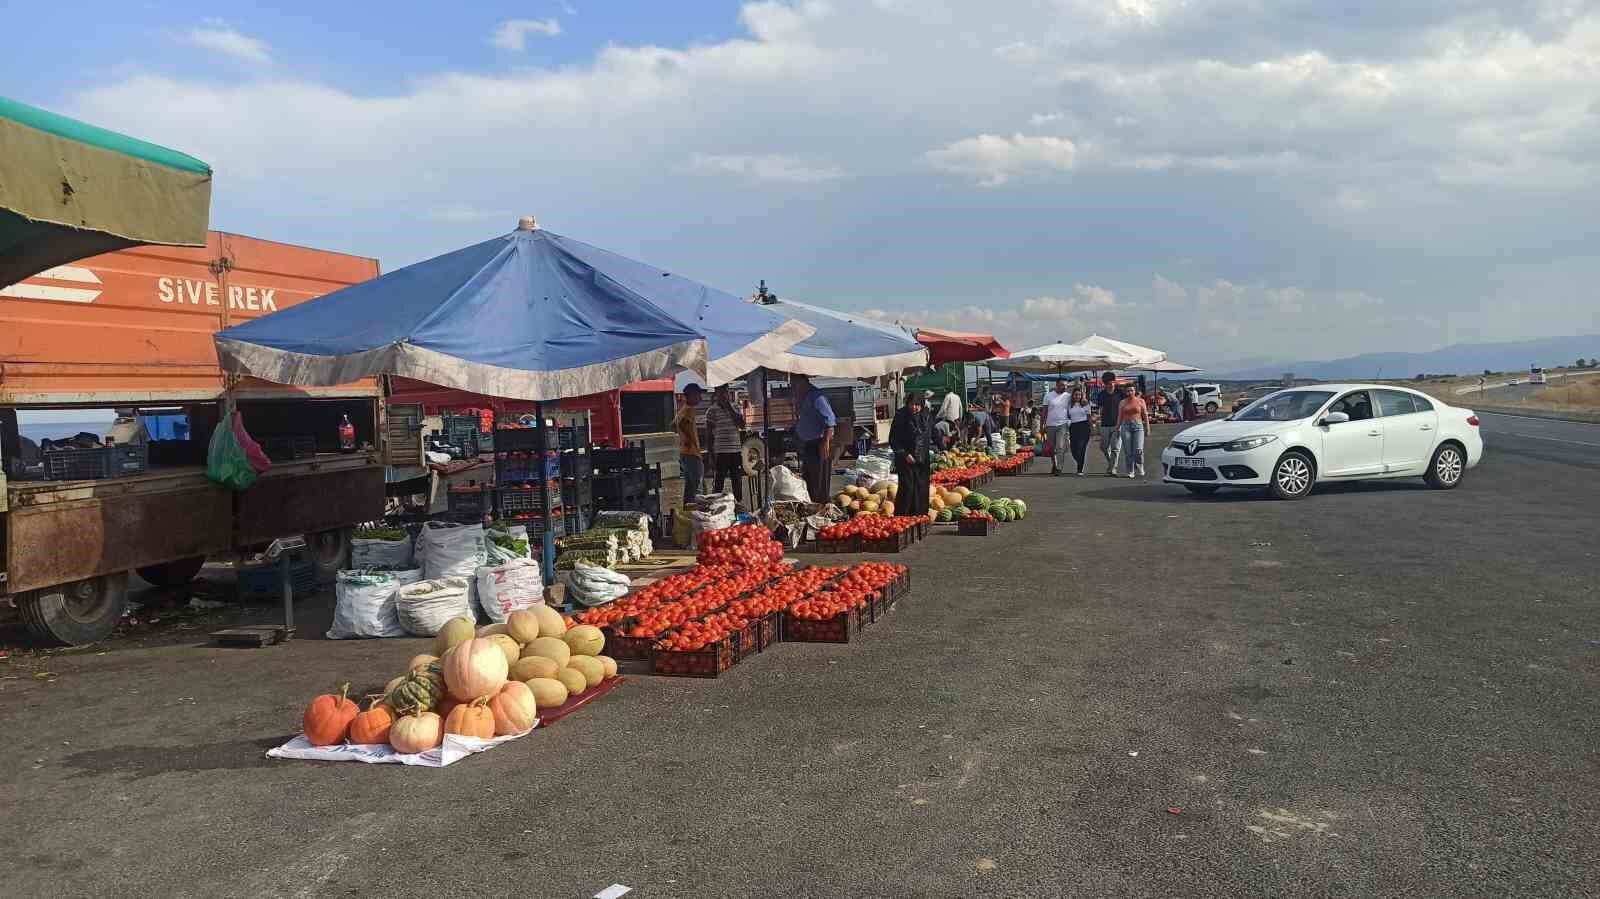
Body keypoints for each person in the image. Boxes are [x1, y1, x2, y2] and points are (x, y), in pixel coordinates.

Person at [792, 373, 836, 504]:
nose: (793, 388)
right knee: (809, 480)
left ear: (803, 382)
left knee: (819, 482)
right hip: (809, 444)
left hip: (820, 443)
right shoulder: (803, 397)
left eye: (795, 385)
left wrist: (825, 442)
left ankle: (822, 506)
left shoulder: (816, 396)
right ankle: (813, 506)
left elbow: (830, 421)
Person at [888, 391, 932, 518]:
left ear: (922, 405)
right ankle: (903, 517)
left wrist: (943, 446)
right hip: (905, 459)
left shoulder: (927, 415)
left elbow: (931, 433)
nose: (914, 407)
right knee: (907, 487)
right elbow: (893, 439)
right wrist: (904, 454)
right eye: (912, 404)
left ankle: (920, 516)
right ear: (907, 404)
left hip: (922, 459)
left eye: (917, 405)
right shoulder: (901, 415)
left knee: (921, 488)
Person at [702, 384, 746, 503]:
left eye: (725, 392)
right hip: (721, 452)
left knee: (737, 481)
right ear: (716, 394)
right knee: (718, 484)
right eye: (721, 392)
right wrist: (711, 456)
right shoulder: (711, 411)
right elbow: (709, 436)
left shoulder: (735, 407)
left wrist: (729, 408)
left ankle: (739, 505)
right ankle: (716, 506)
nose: (724, 395)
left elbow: (742, 425)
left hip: (735, 452)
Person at [674, 384, 705, 504]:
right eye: (698, 395)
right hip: (692, 453)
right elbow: (681, 424)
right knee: (698, 487)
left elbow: (674, 425)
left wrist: (683, 438)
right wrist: (692, 440)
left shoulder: (682, 409)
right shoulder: (689, 409)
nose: (700, 398)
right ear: (691, 395)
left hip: (684, 453)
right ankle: (700, 516)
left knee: (689, 488)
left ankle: (686, 514)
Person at [1117, 382, 1149, 478]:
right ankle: (1130, 470)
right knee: (1128, 452)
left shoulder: (1141, 401)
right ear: (1125, 392)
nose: (1130, 392)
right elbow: (1120, 416)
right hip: (1125, 426)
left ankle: (1140, 466)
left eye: (1131, 390)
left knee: (1138, 449)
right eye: (1128, 391)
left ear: (1135, 391)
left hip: (1138, 426)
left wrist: (1147, 428)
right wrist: (1117, 427)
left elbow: (1145, 415)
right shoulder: (1122, 402)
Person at [1092, 372, 1122, 475]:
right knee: (1103, 447)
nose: (1111, 384)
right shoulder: (1102, 394)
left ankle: (1113, 468)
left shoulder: (1120, 393)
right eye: (1108, 383)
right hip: (1105, 423)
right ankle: (1111, 463)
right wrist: (1097, 418)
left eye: (1112, 382)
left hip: (1117, 424)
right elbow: (1100, 408)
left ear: (1114, 382)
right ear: (1105, 384)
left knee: (1115, 448)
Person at [1042, 378, 1073, 476]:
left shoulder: (1068, 396)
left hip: (1062, 424)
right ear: (1057, 385)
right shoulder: (1048, 396)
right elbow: (1044, 411)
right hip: (1050, 425)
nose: (1065, 387)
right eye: (1062, 385)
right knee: (1052, 448)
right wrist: (1042, 425)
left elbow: (1077, 401)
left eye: (1066, 385)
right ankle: (1054, 464)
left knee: (1060, 447)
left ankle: (1059, 467)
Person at [1068, 386, 1093, 476]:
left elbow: (1089, 417)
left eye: (1079, 394)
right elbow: (1068, 416)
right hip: (1073, 427)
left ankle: (1080, 469)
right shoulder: (1070, 405)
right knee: (1073, 449)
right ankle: (1079, 461)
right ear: (1073, 396)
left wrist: (1092, 428)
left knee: (1081, 448)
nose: (1077, 396)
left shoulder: (1086, 404)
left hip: (1084, 426)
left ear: (1082, 395)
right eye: (1076, 394)